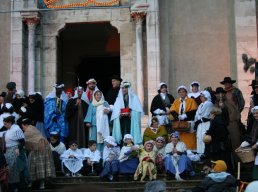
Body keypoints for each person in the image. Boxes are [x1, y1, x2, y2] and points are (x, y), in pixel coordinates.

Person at [21, 118, 55, 190]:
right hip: (43, 146)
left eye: (23, 127)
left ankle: (39, 184)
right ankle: (40, 184)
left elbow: (25, 143)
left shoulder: (28, 131)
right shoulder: (33, 128)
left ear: (26, 125)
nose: (23, 129)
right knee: (40, 164)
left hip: (39, 147)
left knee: (38, 164)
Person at [0, 115, 30, 191]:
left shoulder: (16, 129)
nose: (4, 125)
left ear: (10, 122)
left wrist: (18, 149)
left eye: (6, 123)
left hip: (16, 151)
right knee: (10, 170)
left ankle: (19, 187)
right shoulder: (9, 129)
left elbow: (22, 141)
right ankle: (12, 186)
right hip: (9, 152)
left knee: (17, 169)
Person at [204, 107, 232, 173]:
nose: (209, 116)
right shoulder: (221, 119)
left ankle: (221, 173)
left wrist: (207, 133)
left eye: (210, 114)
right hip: (224, 145)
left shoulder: (216, 121)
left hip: (219, 146)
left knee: (220, 161)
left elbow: (213, 132)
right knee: (226, 161)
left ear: (213, 114)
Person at [220, 77, 245, 151]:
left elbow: (242, 103)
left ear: (231, 83)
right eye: (225, 83)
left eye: (228, 83)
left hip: (233, 119)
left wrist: (236, 113)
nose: (226, 84)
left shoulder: (236, 91)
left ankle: (238, 161)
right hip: (225, 119)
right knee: (227, 142)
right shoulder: (223, 92)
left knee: (235, 140)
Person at [170, 85, 198, 150]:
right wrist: (178, 117)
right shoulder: (176, 101)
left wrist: (185, 115)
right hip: (179, 123)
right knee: (180, 137)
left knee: (190, 137)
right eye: (180, 92)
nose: (181, 93)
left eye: (183, 92)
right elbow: (172, 110)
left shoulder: (191, 100)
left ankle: (191, 150)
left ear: (186, 92)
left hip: (189, 122)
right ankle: (180, 150)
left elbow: (194, 111)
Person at [239, 106, 258, 180]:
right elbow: (252, 137)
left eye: (257, 113)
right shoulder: (255, 123)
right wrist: (242, 145)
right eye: (254, 114)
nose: (255, 115)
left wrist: (256, 144)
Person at [194, 90, 213, 155]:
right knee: (199, 138)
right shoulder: (200, 105)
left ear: (206, 96)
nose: (200, 97)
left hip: (206, 124)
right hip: (200, 124)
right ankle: (200, 153)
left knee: (204, 137)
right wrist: (199, 117)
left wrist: (199, 117)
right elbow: (197, 115)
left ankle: (205, 153)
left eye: (202, 96)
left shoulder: (209, 103)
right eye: (200, 96)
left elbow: (203, 114)